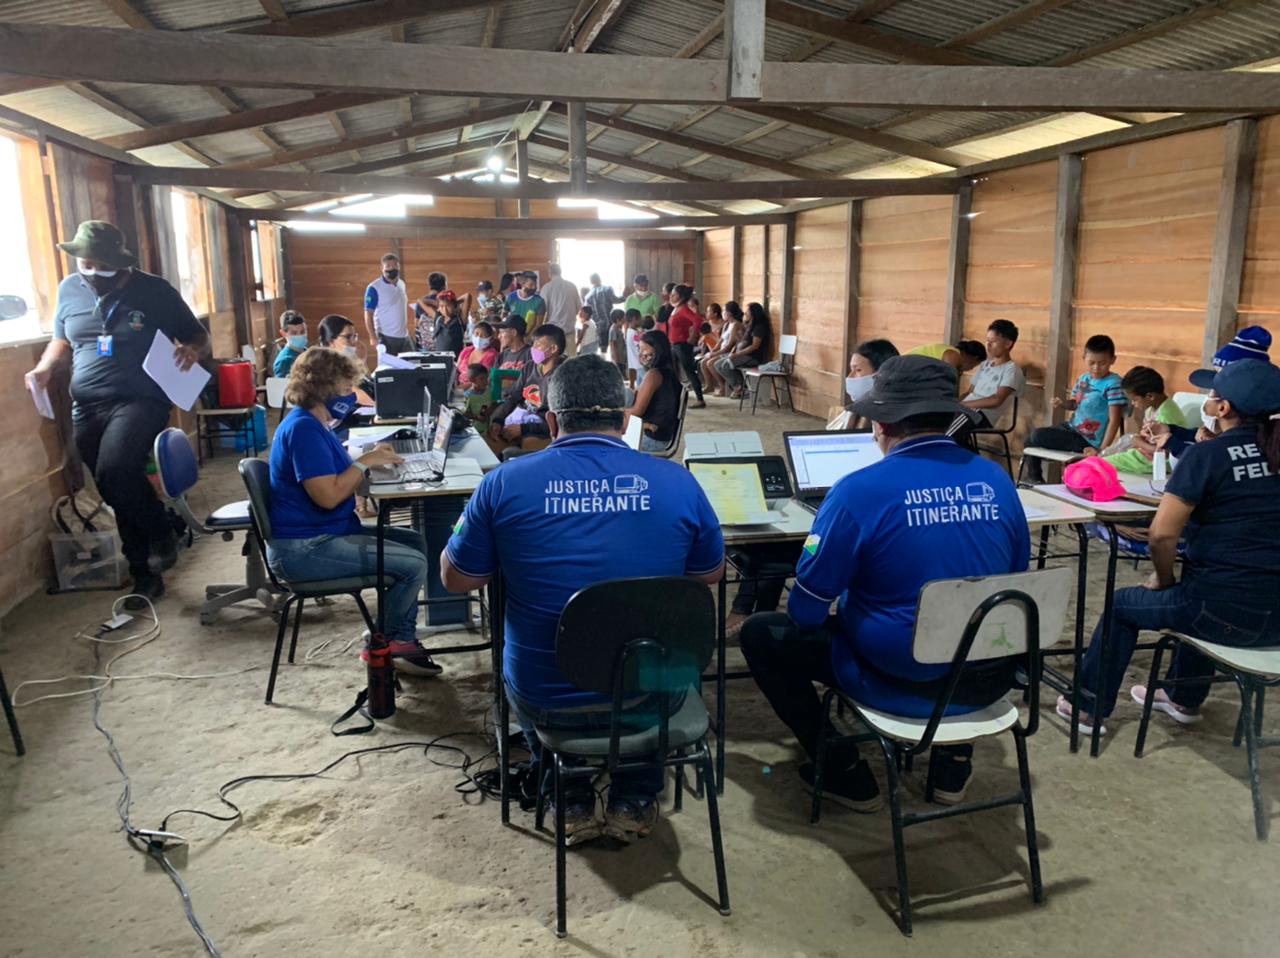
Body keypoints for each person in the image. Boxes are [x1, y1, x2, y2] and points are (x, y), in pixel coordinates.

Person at [441, 354, 724, 842]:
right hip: (649, 695)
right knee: (655, 670)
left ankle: (566, 793)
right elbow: (710, 574)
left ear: (551, 421)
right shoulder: (678, 480)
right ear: (622, 417)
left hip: (546, 695)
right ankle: (634, 794)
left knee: (517, 676)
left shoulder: (502, 484)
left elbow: (456, 580)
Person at [741, 355, 1030, 809]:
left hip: (898, 677)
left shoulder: (859, 490)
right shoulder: (997, 480)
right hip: (988, 675)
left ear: (882, 424)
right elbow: (1013, 579)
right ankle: (953, 764)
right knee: (967, 613)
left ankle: (842, 768)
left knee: (763, 634)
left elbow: (806, 611)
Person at [1061, 360, 1280, 735]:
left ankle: (1086, 705)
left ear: (1223, 409)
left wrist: (1163, 577)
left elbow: (1162, 535)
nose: (1208, 401)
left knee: (1124, 605)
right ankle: (1182, 697)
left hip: (1220, 612)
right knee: (1201, 587)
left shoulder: (1207, 457)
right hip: (1275, 618)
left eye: (1212, 396)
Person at [27, 219, 211, 604]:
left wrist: (192, 350)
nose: (94, 272)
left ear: (122, 262)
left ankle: (160, 532)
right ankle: (145, 571)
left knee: (116, 468)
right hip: (87, 404)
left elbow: (197, 335)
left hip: (141, 399)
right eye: (87, 263)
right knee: (113, 486)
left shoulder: (154, 290)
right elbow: (62, 339)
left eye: (102, 264)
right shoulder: (69, 290)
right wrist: (45, 368)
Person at [266, 348, 439, 676]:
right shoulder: (303, 429)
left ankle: (399, 637)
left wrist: (368, 458)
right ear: (322, 388)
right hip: (305, 548)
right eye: (345, 389)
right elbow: (328, 497)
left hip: (326, 532)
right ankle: (382, 642)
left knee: (415, 543)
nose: (350, 396)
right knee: (414, 565)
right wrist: (365, 462)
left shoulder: (315, 423)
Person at [1146, 326, 1272, 459]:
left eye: (1216, 389)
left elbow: (1208, 461)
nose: (1209, 395)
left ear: (1224, 406)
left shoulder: (1263, 443)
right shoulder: (1250, 431)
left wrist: (1172, 443)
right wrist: (1171, 430)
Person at [1024, 334, 1126, 482]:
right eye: (1092, 362)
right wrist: (1063, 404)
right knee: (1030, 439)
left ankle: (1036, 481)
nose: (1096, 368)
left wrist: (1102, 450)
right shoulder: (1084, 378)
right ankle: (1035, 479)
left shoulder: (1113, 384)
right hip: (1071, 429)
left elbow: (1115, 420)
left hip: (1088, 440)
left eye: (1102, 363)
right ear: (1084, 357)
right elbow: (1076, 404)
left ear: (1113, 360)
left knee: (1037, 436)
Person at [488, 324, 567, 450]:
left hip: (542, 428)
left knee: (527, 443)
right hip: (521, 418)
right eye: (533, 343)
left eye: (538, 344)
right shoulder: (530, 367)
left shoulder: (563, 376)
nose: (533, 348)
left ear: (553, 348)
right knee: (489, 438)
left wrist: (524, 429)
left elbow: (560, 421)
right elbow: (514, 397)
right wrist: (498, 420)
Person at [1103, 366, 1189, 475]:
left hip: (1159, 462)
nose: (1133, 404)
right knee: (1115, 450)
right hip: (1146, 453)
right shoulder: (1152, 408)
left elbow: (1167, 452)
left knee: (1102, 464)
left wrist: (1139, 442)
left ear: (1150, 396)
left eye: (1134, 400)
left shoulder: (1166, 416)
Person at [962, 319, 1025, 428]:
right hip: (967, 408)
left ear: (1008, 344)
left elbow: (997, 400)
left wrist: (963, 405)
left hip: (982, 414)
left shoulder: (1011, 369)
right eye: (987, 340)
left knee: (948, 426)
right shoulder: (985, 365)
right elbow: (969, 392)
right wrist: (954, 404)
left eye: (994, 341)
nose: (988, 345)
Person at [627, 330, 682, 453]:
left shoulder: (654, 374)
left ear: (657, 350)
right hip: (663, 435)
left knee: (606, 439)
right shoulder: (670, 372)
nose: (641, 354)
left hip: (652, 438)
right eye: (639, 349)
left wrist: (615, 414)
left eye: (644, 349)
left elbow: (637, 411)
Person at [714, 301, 770, 400]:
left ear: (753, 314)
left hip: (752, 357)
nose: (745, 314)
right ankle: (739, 386)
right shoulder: (749, 326)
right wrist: (735, 349)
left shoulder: (759, 327)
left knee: (726, 365)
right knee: (717, 364)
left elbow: (754, 346)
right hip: (742, 355)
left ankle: (739, 387)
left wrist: (737, 354)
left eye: (747, 312)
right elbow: (740, 342)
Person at [363, 252, 412, 355]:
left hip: (404, 335)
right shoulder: (374, 288)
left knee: (412, 365)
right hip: (386, 336)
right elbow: (368, 314)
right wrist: (373, 337)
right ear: (382, 268)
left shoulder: (401, 284)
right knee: (390, 368)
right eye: (388, 266)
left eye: (395, 265)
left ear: (399, 267)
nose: (392, 268)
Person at [666, 284, 705, 407]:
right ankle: (675, 396)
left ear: (681, 296)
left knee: (689, 371)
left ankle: (700, 399)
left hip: (682, 344)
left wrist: (693, 335)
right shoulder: (676, 308)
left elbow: (698, 320)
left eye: (674, 295)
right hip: (674, 344)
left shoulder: (683, 309)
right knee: (673, 370)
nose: (671, 296)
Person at [703, 301, 743, 397]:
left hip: (729, 352)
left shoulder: (736, 324)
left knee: (711, 363)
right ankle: (710, 385)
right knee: (703, 362)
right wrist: (713, 351)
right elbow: (720, 342)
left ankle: (723, 386)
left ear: (729, 313)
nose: (722, 313)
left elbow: (729, 345)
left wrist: (715, 354)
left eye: (724, 311)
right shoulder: (726, 324)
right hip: (722, 351)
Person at [493, 315, 534, 405]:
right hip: (500, 403)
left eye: (502, 332)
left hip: (520, 404)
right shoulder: (502, 355)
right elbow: (494, 383)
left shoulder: (530, 354)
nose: (499, 336)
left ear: (514, 332)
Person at [456, 320, 498, 388]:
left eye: (483, 336)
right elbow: (456, 370)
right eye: (476, 334)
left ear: (490, 339)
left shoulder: (491, 355)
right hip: (459, 387)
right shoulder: (467, 350)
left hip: (476, 391)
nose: (479, 338)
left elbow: (481, 381)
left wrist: (459, 388)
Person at [907, 340, 986, 375]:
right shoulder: (953, 356)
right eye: (973, 365)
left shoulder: (952, 352)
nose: (971, 369)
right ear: (973, 358)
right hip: (904, 369)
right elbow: (942, 382)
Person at [584, 273, 624, 339]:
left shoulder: (588, 296)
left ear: (591, 282)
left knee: (602, 346)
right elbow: (616, 300)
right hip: (610, 323)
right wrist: (624, 296)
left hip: (597, 326)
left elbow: (587, 313)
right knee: (614, 343)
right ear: (600, 279)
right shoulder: (607, 289)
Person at [272, 309, 308, 378]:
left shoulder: (308, 353)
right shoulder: (283, 362)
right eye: (294, 333)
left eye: (303, 332)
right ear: (283, 333)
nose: (299, 335)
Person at [624, 308, 644, 387]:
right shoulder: (634, 334)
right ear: (634, 319)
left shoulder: (629, 331)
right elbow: (640, 347)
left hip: (635, 363)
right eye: (640, 318)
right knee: (646, 381)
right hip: (640, 363)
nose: (641, 320)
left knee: (640, 384)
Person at [607, 308, 627, 378]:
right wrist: (616, 358)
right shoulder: (613, 330)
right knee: (620, 376)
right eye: (624, 319)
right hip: (617, 358)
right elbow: (613, 344)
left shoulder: (618, 329)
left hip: (621, 358)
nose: (625, 321)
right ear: (618, 320)